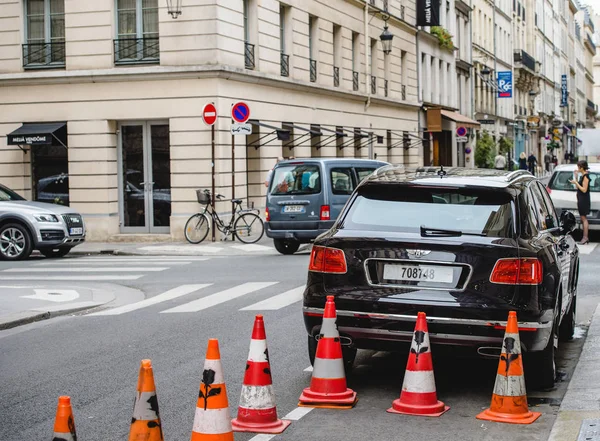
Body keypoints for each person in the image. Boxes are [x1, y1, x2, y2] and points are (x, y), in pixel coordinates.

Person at [569, 160, 591, 245]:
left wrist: (576, 183)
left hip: (584, 200)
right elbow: (579, 188)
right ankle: (585, 237)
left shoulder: (586, 176)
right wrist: (576, 177)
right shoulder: (583, 176)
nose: (577, 168)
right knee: (583, 218)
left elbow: (584, 190)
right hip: (581, 199)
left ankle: (585, 237)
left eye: (578, 167)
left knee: (584, 219)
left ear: (582, 167)